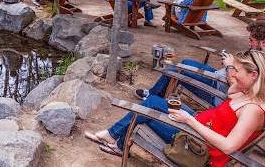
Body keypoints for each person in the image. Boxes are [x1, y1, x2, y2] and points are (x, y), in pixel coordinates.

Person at [86, 50, 265, 167]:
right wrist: (242, 80)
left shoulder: (253, 110)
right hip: (198, 125)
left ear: (254, 75)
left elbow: (227, 146)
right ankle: (113, 135)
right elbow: (232, 92)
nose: (233, 75)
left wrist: (190, 121)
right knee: (153, 101)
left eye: (238, 72)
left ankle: (117, 142)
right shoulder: (248, 94)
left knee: (147, 113)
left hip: (197, 146)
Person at [134, 21, 265, 104]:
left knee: (173, 71)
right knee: (185, 62)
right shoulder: (256, 53)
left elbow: (237, 86)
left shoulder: (260, 63)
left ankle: (151, 95)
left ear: (263, 43)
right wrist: (233, 62)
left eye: (251, 40)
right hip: (218, 76)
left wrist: (230, 65)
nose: (249, 43)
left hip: (216, 89)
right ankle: (158, 93)